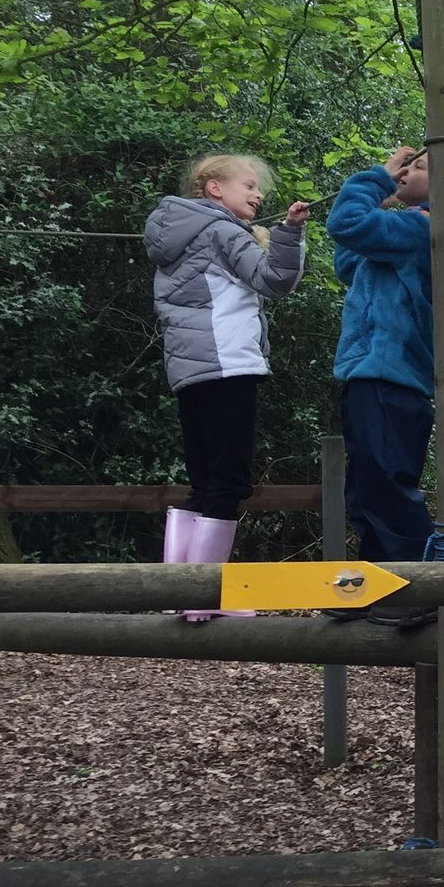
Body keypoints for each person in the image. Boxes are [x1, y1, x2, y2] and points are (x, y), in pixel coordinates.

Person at [329, 145, 444, 630]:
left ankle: (421, 587)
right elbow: (350, 261)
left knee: (387, 484)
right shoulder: (402, 232)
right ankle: (373, 587)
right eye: (407, 165)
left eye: (419, 167)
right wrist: (379, 203)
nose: (406, 170)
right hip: (368, 372)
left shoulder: (426, 227)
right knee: (364, 491)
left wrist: (378, 178)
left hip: (392, 376)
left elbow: (345, 225)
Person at [146, 154, 310, 620]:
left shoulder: (177, 235)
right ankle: (204, 599)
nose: (259, 196)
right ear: (214, 188)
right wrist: (291, 233)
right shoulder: (220, 231)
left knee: (204, 478)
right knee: (229, 481)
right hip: (228, 364)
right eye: (251, 186)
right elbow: (273, 281)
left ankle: (177, 596)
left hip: (190, 371)